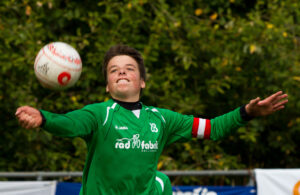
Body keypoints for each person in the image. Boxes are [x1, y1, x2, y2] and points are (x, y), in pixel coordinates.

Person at [15, 44, 288, 195]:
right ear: (107, 86)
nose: (121, 73)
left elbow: (212, 128)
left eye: (129, 69)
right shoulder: (100, 114)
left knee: (161, 183)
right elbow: (70, 124)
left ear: (142, 81)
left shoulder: (162, 119)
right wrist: (44, 118)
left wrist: (247, 112)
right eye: (114, 71)